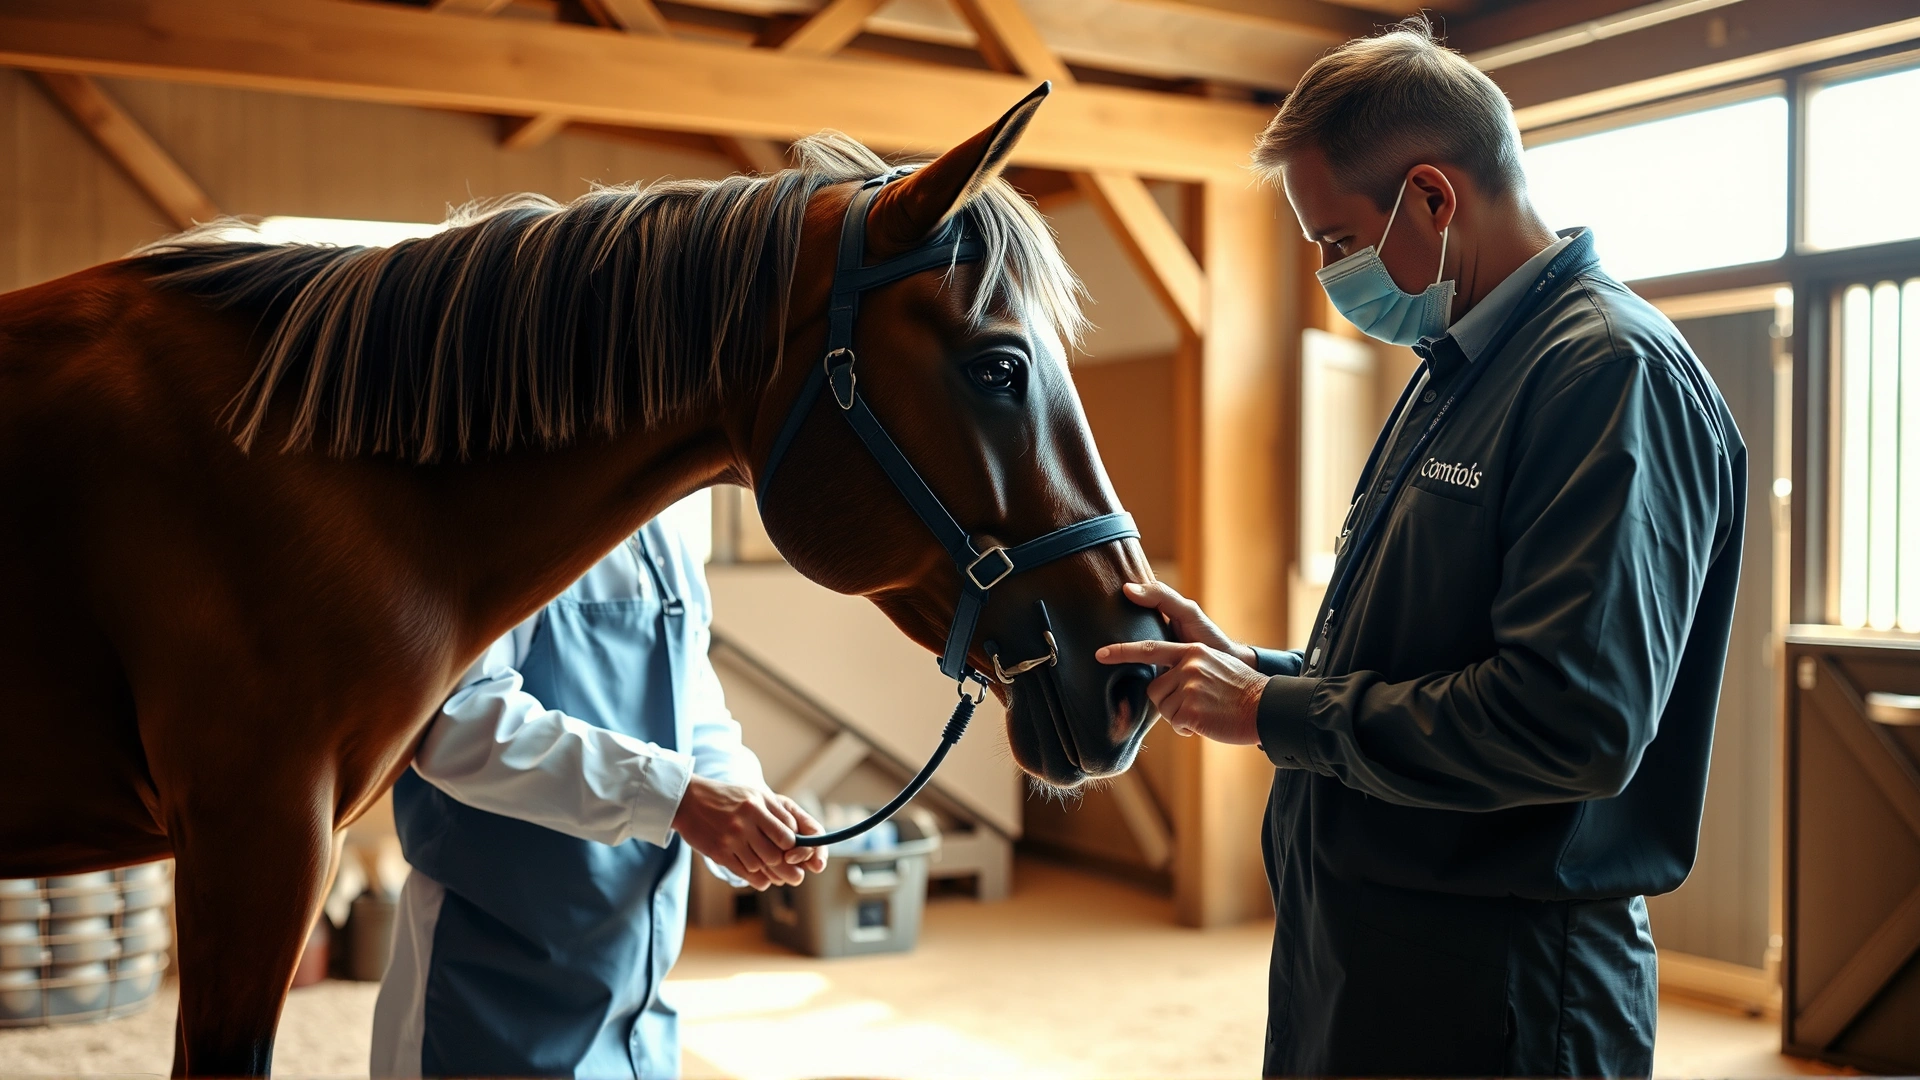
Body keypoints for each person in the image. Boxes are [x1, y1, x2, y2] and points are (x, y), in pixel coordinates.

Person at [1099, 18, 1746, 1079]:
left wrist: (1277, 713)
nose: (1326, 272)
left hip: (1502, 986)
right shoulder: (1453, 372)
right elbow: (1428, 665)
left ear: (1434, 198)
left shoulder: (1607, 377)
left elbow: (1567, 720)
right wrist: (1254, 672)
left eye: (1334, 242)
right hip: (1366, 954)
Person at [370, 516, 827, 1079]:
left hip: (633, 992)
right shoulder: (492, 521)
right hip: (490, 984)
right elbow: (456, 723)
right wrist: (676, 797)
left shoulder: (668, 535)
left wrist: (741, 798)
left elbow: (696, 698)